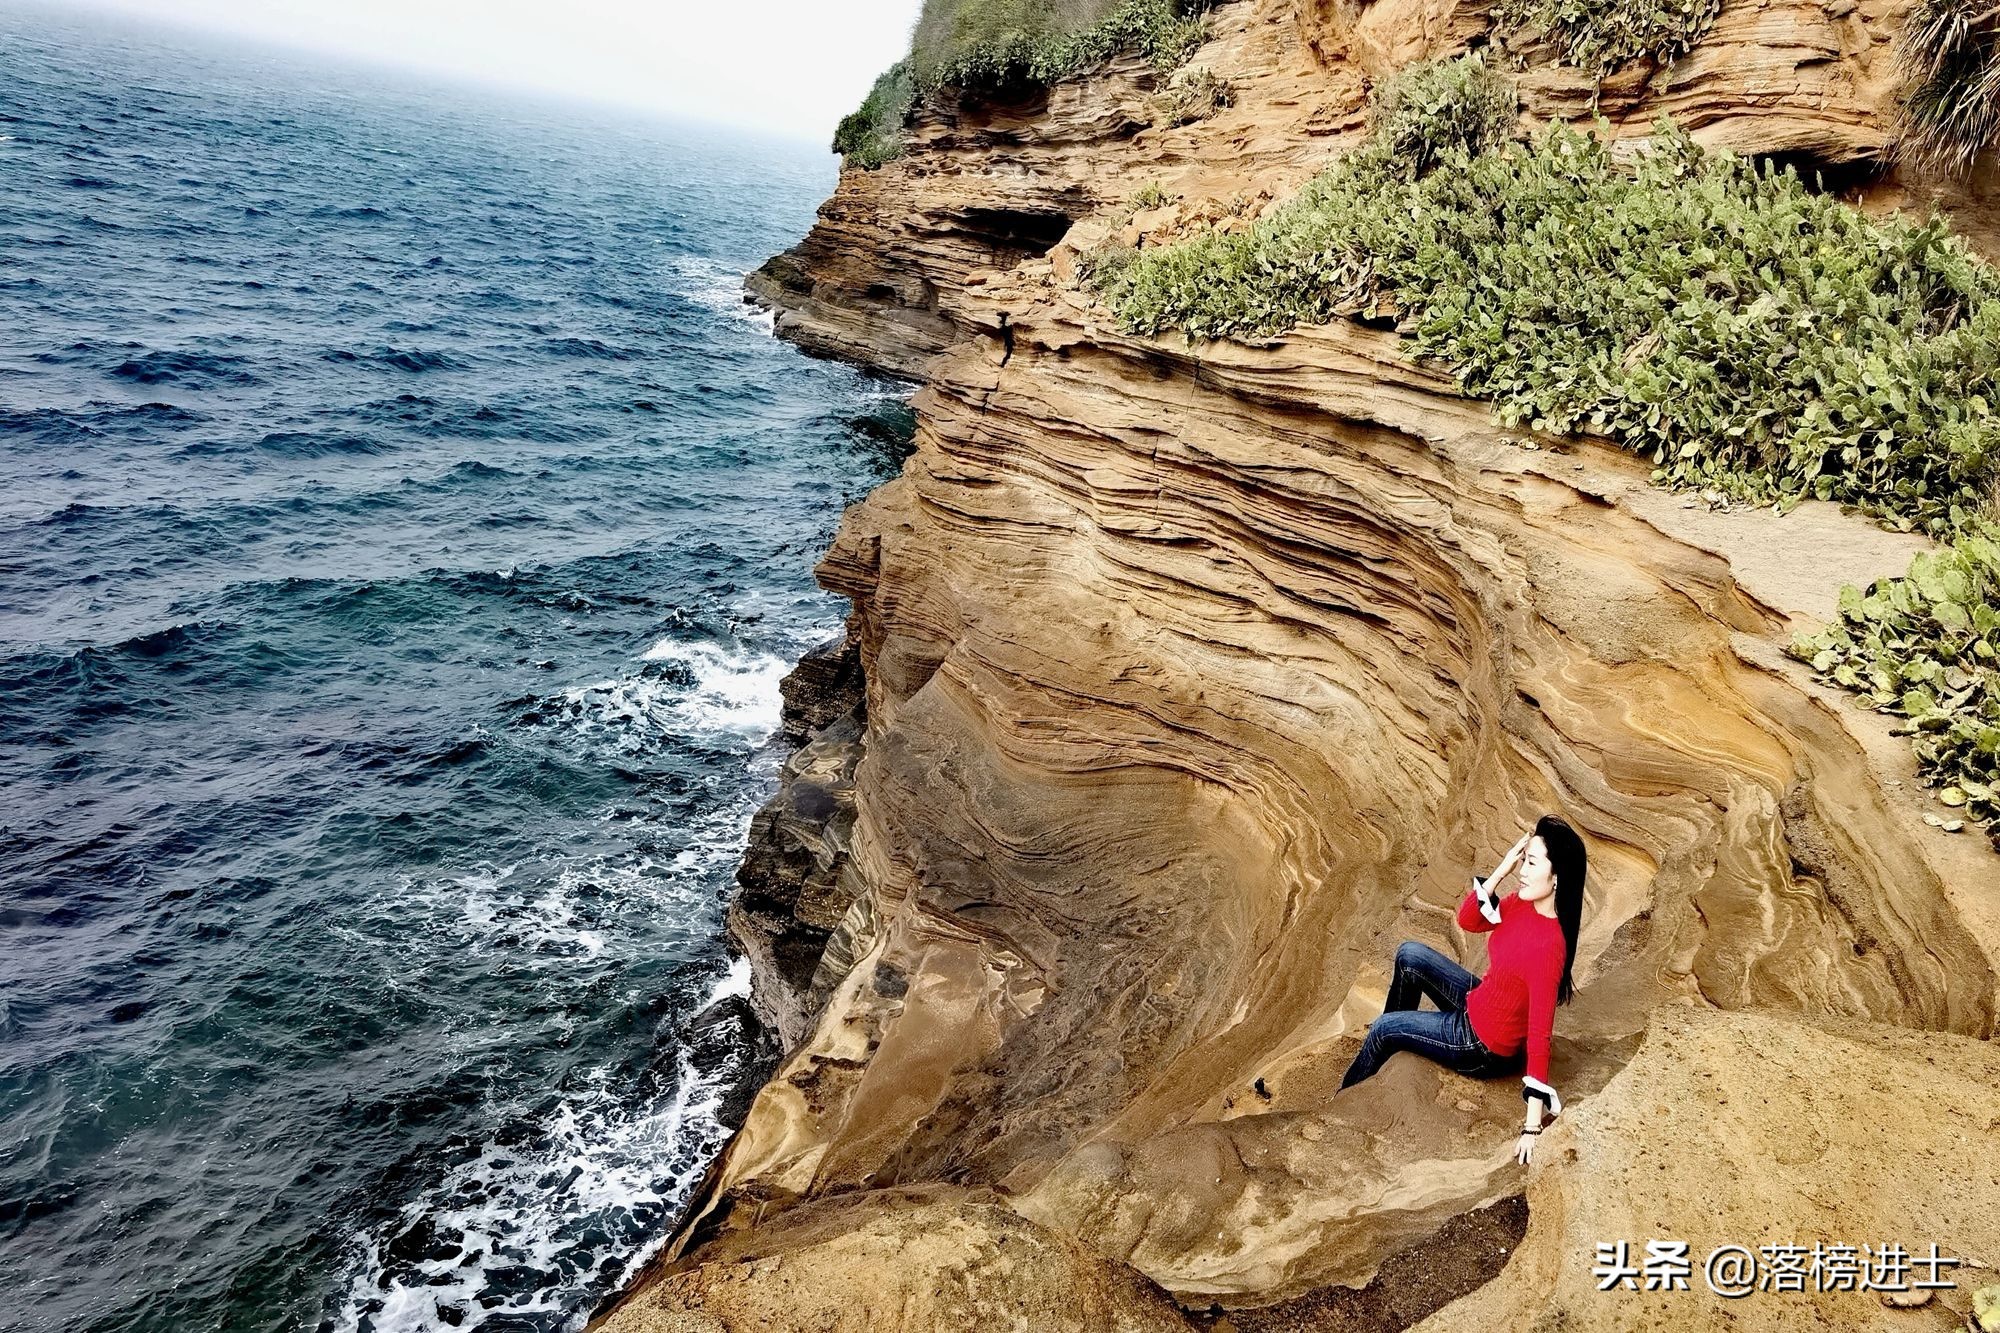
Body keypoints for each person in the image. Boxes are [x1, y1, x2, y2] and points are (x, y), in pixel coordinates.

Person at [1337, 814, 1588, 1166]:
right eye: (1523, 860)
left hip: (1481, 1043)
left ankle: (1340, 1105)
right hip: (1479, 1000)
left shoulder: (1549, 947)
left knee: (1382, 1029)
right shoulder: (1520, 904)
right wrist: (1500, 871)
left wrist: (1532, 1127)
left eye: (1531, 863)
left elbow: (1540, 1034)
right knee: (1409, 954)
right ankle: (1389, 1051)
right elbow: (1469, 921)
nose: (1523, 870)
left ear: (1557, 875)